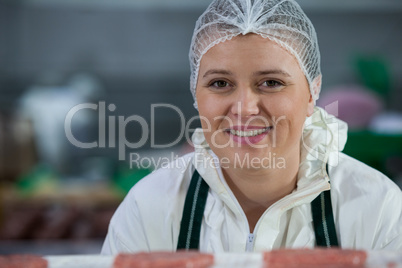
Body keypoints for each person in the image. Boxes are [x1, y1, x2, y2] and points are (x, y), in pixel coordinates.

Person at [102, 0, 401, 253]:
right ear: (196, 92)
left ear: (312, 93)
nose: (244, 108)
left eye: (271, 83)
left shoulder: (377, 208)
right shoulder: (148, 208)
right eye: (220, 83)